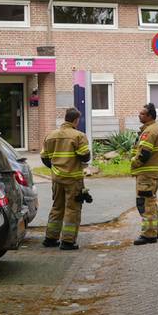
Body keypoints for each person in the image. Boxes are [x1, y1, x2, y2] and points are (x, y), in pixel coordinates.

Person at [40, 107, 91, 250]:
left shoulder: (51, 135)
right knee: (72, 209)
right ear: (76, 120)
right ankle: (68, 241)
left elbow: (44, 157)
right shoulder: (78, 136)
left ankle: (50, 239)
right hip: (73, 180)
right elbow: (85, 156)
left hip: (57, 179)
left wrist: (55, 167)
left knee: (57, 207)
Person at [132, 102, 158, 245]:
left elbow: (144, 154)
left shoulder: (150, 131)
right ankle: (155, 230)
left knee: (145, 204)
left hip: (146, 174)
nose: (139, 115)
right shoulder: (155, 129)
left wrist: (134, 162)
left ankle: (148, 234)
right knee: (151, 202)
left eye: (142, 113)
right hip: (151, 173)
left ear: (149, 116)